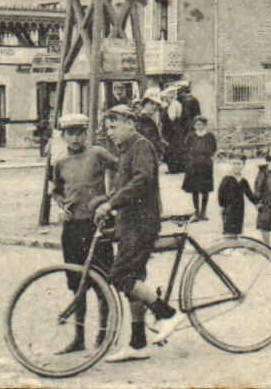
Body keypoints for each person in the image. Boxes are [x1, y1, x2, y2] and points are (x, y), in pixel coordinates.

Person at [95, 104, 178, 362]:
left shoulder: (141, 146)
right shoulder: (127, 150)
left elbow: (142, 182)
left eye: (114, 126)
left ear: (130, 124)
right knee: (135, 280)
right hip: (130, 222)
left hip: (141, 223)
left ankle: (168, 314)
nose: (110, 132)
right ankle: (138, 343)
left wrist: (111, 203)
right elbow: (124, 187)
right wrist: (105, 202)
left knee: (120, 276)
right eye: (107, 127)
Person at [50, 113, 117, 354]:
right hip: (72, 230)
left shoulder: (97, 154)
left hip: (96, 228)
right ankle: (79, 338)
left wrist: (110, 201)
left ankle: (104, 333)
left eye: (80, 132)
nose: (76, 138)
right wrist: (62, 207)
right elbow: (56, 191)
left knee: (102, 283)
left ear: (86, 133)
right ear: (64, 136)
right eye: (71, 133)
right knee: (77, 285)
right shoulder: (59, 163)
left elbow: (121, 170)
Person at [182, 116, 217, 221]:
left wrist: (207, 155)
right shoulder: (190, 136)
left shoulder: (210, 136)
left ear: (205, 125)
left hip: (206, 164)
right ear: (194, 126)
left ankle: (204, 212)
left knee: (205, 189)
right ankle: (196, 212)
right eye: (197, 124)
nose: (200, 126)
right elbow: (186, 149)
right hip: (194, 165)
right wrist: (189, 160)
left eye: (202, 124)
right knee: (195, 189)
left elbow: (214, 148)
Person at [216, 155, 254, 237]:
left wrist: (258, 203)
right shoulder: (226, 179)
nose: (236, 166)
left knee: (237, 230)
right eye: (234, 163)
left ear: (243, 165)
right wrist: (222, 206)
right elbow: (220, 193)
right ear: (231, 165)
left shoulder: (243, 181)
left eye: (239, 164)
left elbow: (250, 195)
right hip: (228, 208)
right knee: (228, 230)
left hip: (240, 209)